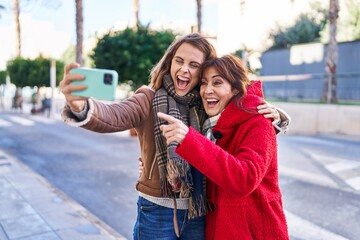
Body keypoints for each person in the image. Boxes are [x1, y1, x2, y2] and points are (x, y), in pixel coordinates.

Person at [59, 33, 288, 239]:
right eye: (179, 61)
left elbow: (238, 124)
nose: (184, 70)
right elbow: (114, 115)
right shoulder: (149, 99)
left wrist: (275, 116)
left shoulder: (207, 104)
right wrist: (82, 107)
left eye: (194, 65)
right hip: (157, 211)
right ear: (169, 63)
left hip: (199, 213)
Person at [157, 55, 289, 239]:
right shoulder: (208, 124)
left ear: (235, 89)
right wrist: (150, 166)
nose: (207, 90)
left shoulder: (259, 122)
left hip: (254, 231)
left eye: (217, 83)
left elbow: (245, 178)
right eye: (204, 83)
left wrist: (190, 139)